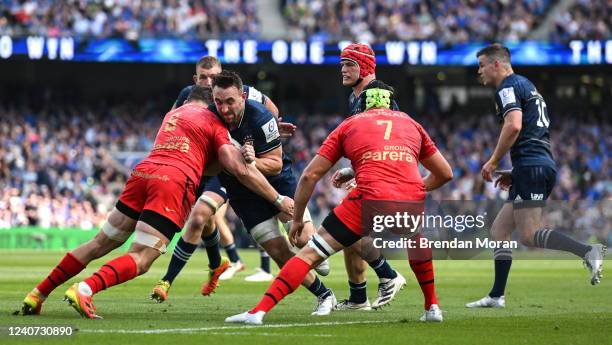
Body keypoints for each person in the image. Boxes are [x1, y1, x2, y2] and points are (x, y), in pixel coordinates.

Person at [20, 86, 294, 318]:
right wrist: (277, 198)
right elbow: (238, 170)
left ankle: (38, 293)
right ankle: (85, 289)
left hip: (142, 172)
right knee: (142, 257)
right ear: (212, 104)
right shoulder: (214, 123)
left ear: (187, 102)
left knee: (98, 243)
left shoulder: (172, 115)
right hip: (172, 181)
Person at [225, 81, 453, 325]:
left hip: (367, 199)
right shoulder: (411, 124)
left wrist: (298, 219)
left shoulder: (351, 124)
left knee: (310, 255)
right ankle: (432, 307)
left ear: (361, 104)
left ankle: (258, 312)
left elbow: (310, 176)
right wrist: (412, 187)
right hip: (409, 199)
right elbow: (445, 173)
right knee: (415, 239)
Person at [466, 43, 606, 309]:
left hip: (533, 166)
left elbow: (514, 124)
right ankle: (496, 295)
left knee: (530, 234)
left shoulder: (507, 87)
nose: (479, 71)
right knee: (500, 230)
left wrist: (494, 160)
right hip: (532, 166)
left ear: (497, 64)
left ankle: (588, 251)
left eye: (482, 65)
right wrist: (516, 171)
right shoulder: (527, 85)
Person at [151, 57, 296, 304]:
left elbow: (271, 109)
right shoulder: (189, 95)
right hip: (203, 164)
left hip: (227, 167)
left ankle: (167, 280)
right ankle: (219, 263)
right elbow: (169, 123)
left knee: (201, 214)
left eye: (213, 77)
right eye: (204, 78)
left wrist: (267, 130)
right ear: (195, 79)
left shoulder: (244, 92)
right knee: (204, 222)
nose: (208, 82)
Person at [335, 43, 442, 317]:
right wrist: (353, 171)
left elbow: (392, 142)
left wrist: (367, 177)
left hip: (390, 178)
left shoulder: (379, 95)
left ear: (364, 67)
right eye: (342, 64)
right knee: (351, 231)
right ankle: (360, 296)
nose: (343, 69)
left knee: (348, 228)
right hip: (379, 175)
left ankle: (391, 277)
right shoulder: (355, 97)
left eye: (349, 64)